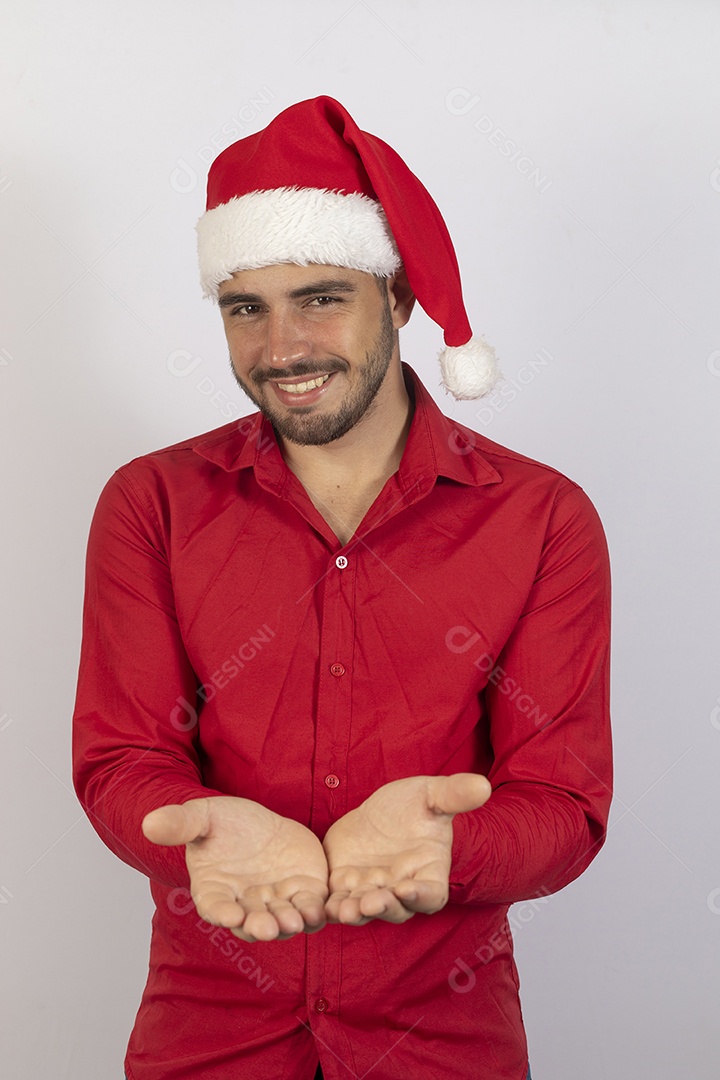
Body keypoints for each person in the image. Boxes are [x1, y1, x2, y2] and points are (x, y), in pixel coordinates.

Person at [72, 96, 612, 1080]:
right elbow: (121, 759)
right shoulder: (149, 504)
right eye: (246, 307)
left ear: (398, 299)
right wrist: (193, 834)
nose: (280, 349)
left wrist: (455, 847)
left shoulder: (541, 518)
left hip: (444, 1041)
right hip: (208, 1037)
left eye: (321, 297)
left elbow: (564, 803)